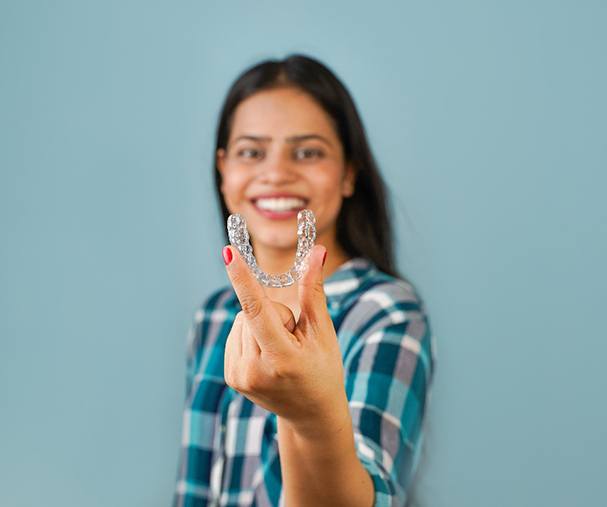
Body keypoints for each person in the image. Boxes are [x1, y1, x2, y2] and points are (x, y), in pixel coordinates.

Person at [172, 53, 437, 507]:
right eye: (251, 152)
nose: (276, 173)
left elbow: (366, 497)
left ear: (349, 172)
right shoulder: (215, 316)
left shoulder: (386, 314)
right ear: (223, 171)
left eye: (308, 152)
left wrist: (307, 415)